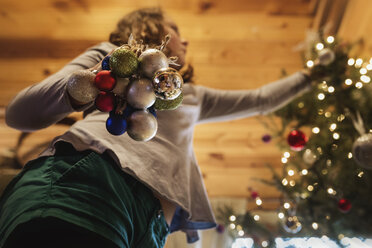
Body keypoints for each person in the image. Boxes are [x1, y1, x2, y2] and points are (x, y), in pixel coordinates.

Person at [0, 7, 318, 248]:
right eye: (177, 30)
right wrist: (97, 78)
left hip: (152, 227)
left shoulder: (193, 96)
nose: (187, 39)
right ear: (148, 27)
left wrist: (311, 76)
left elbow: (260, 99)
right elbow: (19, 114)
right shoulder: (109, 57)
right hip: (87, 181)